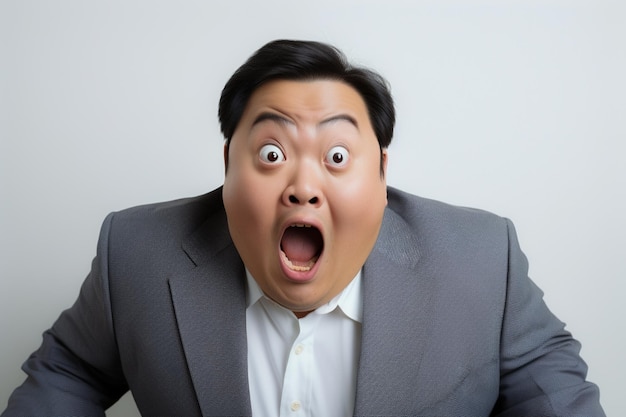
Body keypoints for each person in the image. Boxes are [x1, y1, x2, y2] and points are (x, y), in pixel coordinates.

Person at [2, 39, 605, 417]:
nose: (302, 185)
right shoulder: (135, 253)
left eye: (337, 156)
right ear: (227, 166)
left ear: (383, 173)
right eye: (271, 153)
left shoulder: (481, 260)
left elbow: (553, 396)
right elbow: (68, 374)